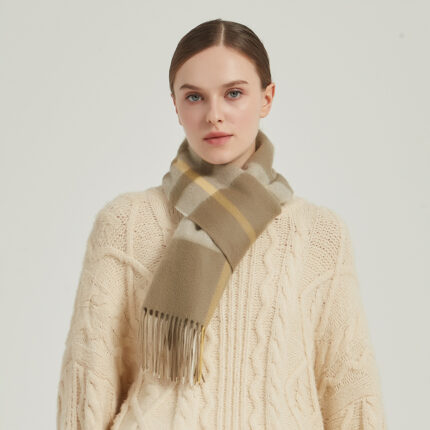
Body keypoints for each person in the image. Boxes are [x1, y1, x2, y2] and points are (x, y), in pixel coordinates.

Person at [56, 18, 387, 429]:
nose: (214, 115)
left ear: (266, 98)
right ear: (176, 106)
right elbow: (89, 377)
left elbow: (351, 389)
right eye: (194, 97)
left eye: (233, 93)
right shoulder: (127, 223)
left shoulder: (320, 233)